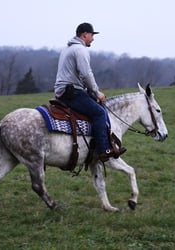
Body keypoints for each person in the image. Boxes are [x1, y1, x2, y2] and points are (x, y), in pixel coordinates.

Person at [54, 22, 126, 162]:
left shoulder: (67, 49)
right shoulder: (80, 50)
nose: (93, 38)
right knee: (99, 112)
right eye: (92, 35)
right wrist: (97, 92)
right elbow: (86, 74)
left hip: (63, 91)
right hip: (72, 92)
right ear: (84, 35)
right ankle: (104, 150)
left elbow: (79, 76)